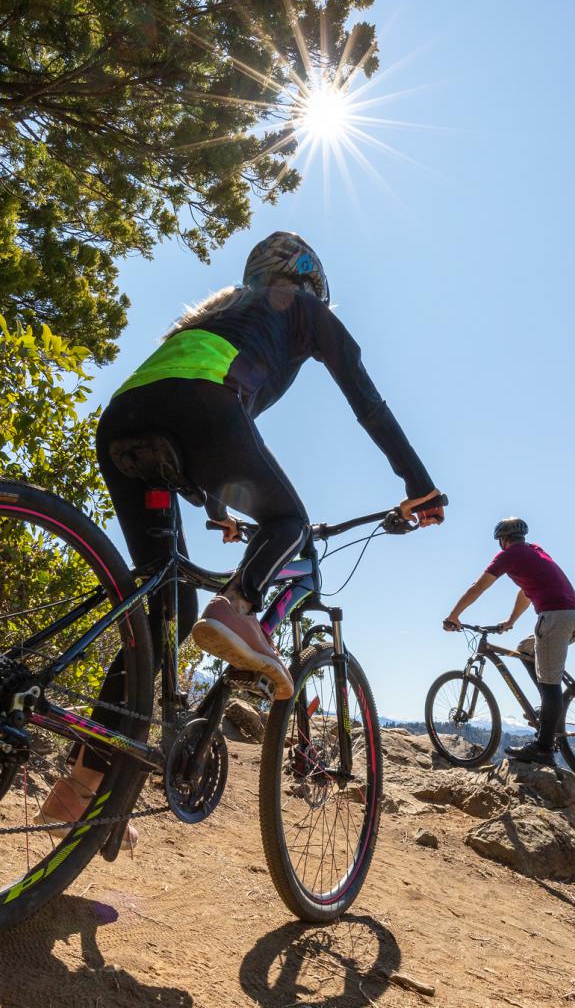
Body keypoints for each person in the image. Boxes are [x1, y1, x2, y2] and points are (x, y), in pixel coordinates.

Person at [37, 231, 445, 845]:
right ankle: (239, 605)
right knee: (289, 522)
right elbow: (367, 402)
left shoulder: (215, 316)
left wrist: (216, 504)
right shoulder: (307, 312)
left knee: (160, 615)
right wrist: (420, 484)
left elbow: (193, 418)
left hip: (126, 423)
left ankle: (79, 792)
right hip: (203, 412)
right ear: (311, 284)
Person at [442, 517, 575, 765]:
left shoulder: (508, 556)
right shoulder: (534, 551)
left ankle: (543, 748)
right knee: (525, 649)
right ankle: (548, 708)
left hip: (555, 617)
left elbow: (479, 586)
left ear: (502, 540)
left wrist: (454, 615)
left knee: (550, 685)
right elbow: (526, 592)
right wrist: (510, 621)